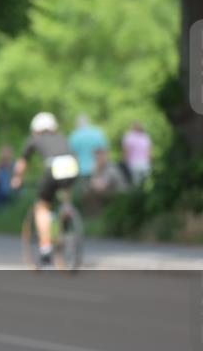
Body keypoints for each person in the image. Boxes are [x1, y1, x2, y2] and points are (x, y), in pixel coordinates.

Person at [11, 112, 79, 267]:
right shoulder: (62, 137)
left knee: (42, 206)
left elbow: (22, 163)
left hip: (54, 167)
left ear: (36, 129)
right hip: (72, 166)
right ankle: (66, 215)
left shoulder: (35, 139)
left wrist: (16, 178)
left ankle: (45, 248)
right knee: (65, 193)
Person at [84, 148, 129, 215]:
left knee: (92, 194)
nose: (98, 160)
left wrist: (95, 174)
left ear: (105, 156)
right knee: (88, 193)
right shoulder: (100, 169)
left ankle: (100, 214)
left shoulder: (111, 168)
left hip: (120, 194)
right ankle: (97, 215)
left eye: (99, 157)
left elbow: (102, 186)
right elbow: (93, 185)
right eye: (96, 159)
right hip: (110, 192)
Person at [68, 115, 108, 179]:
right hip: (97, 170)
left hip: (80, 171)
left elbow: (72, 156)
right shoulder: (97, 133)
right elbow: (104, 153)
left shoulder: (74, 136)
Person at [122, 122, 152, 186]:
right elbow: (126, 151)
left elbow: (148, 151)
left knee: (140, 183)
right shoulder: (143, 136)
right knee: (140, 183)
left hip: (139, 163)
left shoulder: (143, 136)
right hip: (138, 163)